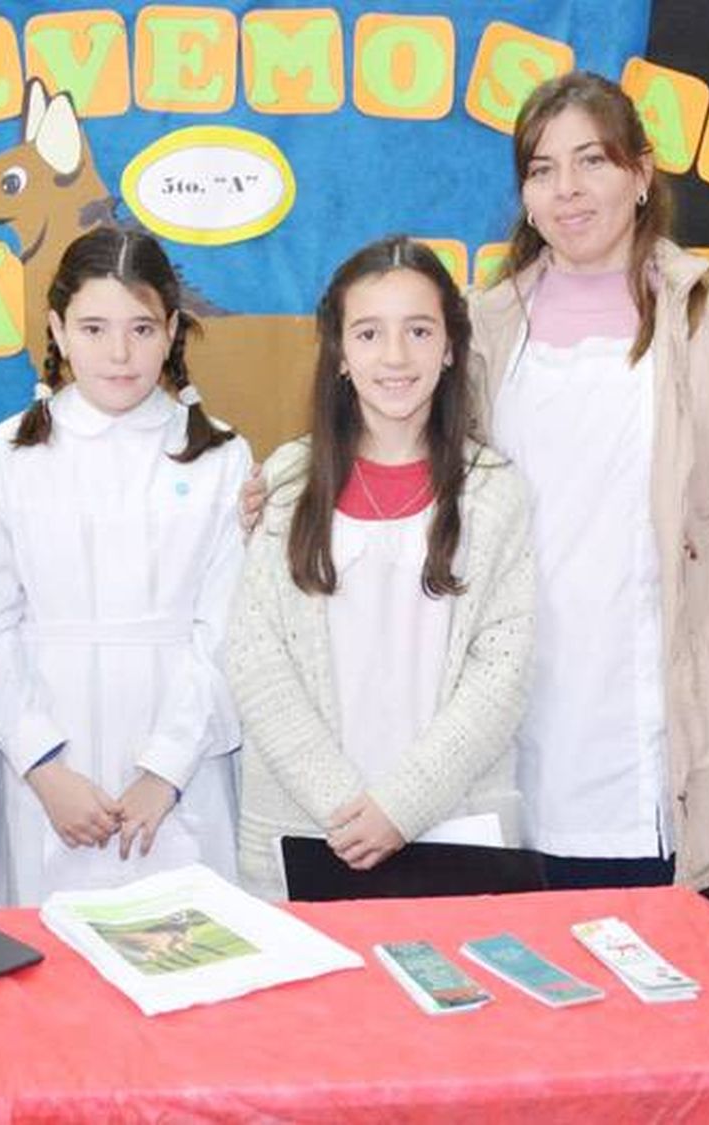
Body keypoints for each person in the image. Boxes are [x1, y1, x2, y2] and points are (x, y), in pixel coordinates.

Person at [468, 71, 709, 889]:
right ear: (523, 196)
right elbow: (389, 456)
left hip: (663, 723)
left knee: (654, 977)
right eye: (541, 169)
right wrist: (282, 484)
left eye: (591, 161)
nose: (567, 190)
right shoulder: (484, 329)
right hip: (519, 718)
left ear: (640, 174)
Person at [227, 235, 535, 901]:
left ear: (450, 347)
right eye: (369, 333)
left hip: (455, 829)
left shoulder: (494, 491)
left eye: (419, 330)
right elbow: (256, 660)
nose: (395, 356)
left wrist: (400, 806)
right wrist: (347, 807)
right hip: (311, 830)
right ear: (339, 352)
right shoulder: (285, 483)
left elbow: (503, 671)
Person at [0, 226, 252, 906]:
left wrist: (165, 771)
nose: (119, 354)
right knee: (50, 984)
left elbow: (228, 632)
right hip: (46, 770)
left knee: (189, 959)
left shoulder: (222, 457)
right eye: (94, 328)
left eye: (142, 328)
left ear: (174, 330)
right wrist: (42, 765)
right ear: (58, 330)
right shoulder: (6, 455)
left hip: (182, 766)